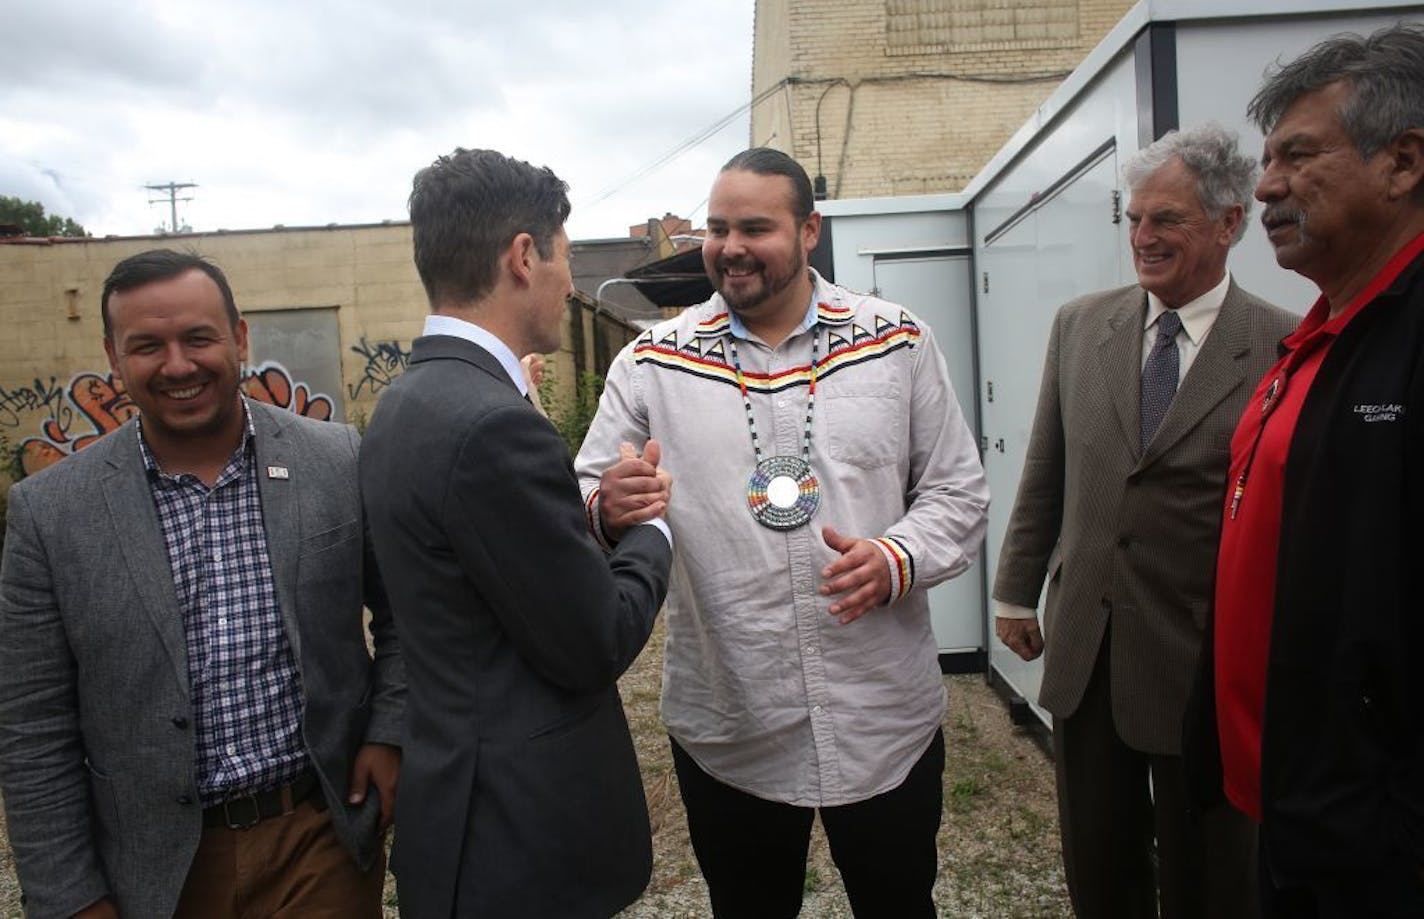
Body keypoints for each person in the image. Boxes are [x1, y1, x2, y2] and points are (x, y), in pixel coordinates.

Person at [574, 147, 989, 917]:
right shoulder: (653, 363)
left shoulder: (895, 342)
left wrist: (898, 557)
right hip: (734, 721)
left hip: (881, 716)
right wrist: (609, 506)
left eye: (755, 227)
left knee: (900, 903)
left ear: (808, 232)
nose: (730, 247)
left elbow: (958, 492)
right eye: (717, 227)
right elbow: (586, 490)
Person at [0, 249, 404, 918]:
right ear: (113, 354)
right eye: (148, 345)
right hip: (155, 872)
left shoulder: (335, 459)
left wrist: (388, 731)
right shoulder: (51, 513)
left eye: (198, 337)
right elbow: (32, 727)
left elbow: (402, 618)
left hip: (318, 841)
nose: (178, 364)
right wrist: (70, 897)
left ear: (240, 338)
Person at [359, 148, 674, 918]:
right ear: (523, 257)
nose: (570, 281)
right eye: (565, 256)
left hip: (459, 818)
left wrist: (599, 516)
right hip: (519, 841)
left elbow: (488, 574)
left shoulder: (403, 405)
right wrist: (657, 528)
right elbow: (593, 640)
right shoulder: (494, 422)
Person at [993, 124, 1296, 918]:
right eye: (1134, 219)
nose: (1145, 237)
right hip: (1088, 647)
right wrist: (1017, 592)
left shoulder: (1282, 344)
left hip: (1204, 657)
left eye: (1168, 220)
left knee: (1212, 877)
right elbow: (1046, 469)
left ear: (1230, 223)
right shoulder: (1081, 324)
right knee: (1099, 868)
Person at [1185, 23, 1424, 917]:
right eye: (1266, 158)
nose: (1269, 185)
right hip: (1290, 811)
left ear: (1402, 162)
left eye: (1298, 156)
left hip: (1374, 839)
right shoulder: (1317, 340)